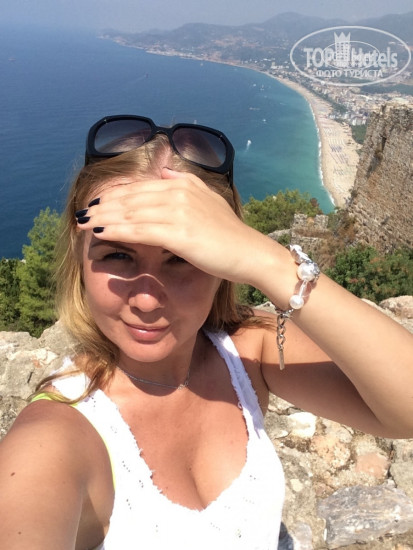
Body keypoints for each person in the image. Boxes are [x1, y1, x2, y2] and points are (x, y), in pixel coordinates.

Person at [1, 114, 412, 550]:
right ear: (80, 256)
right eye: (117, 255)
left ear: (221, 260)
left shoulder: (245, 350)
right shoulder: (52, 439)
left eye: (181, 258)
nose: (146, 300)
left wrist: (267, 261)